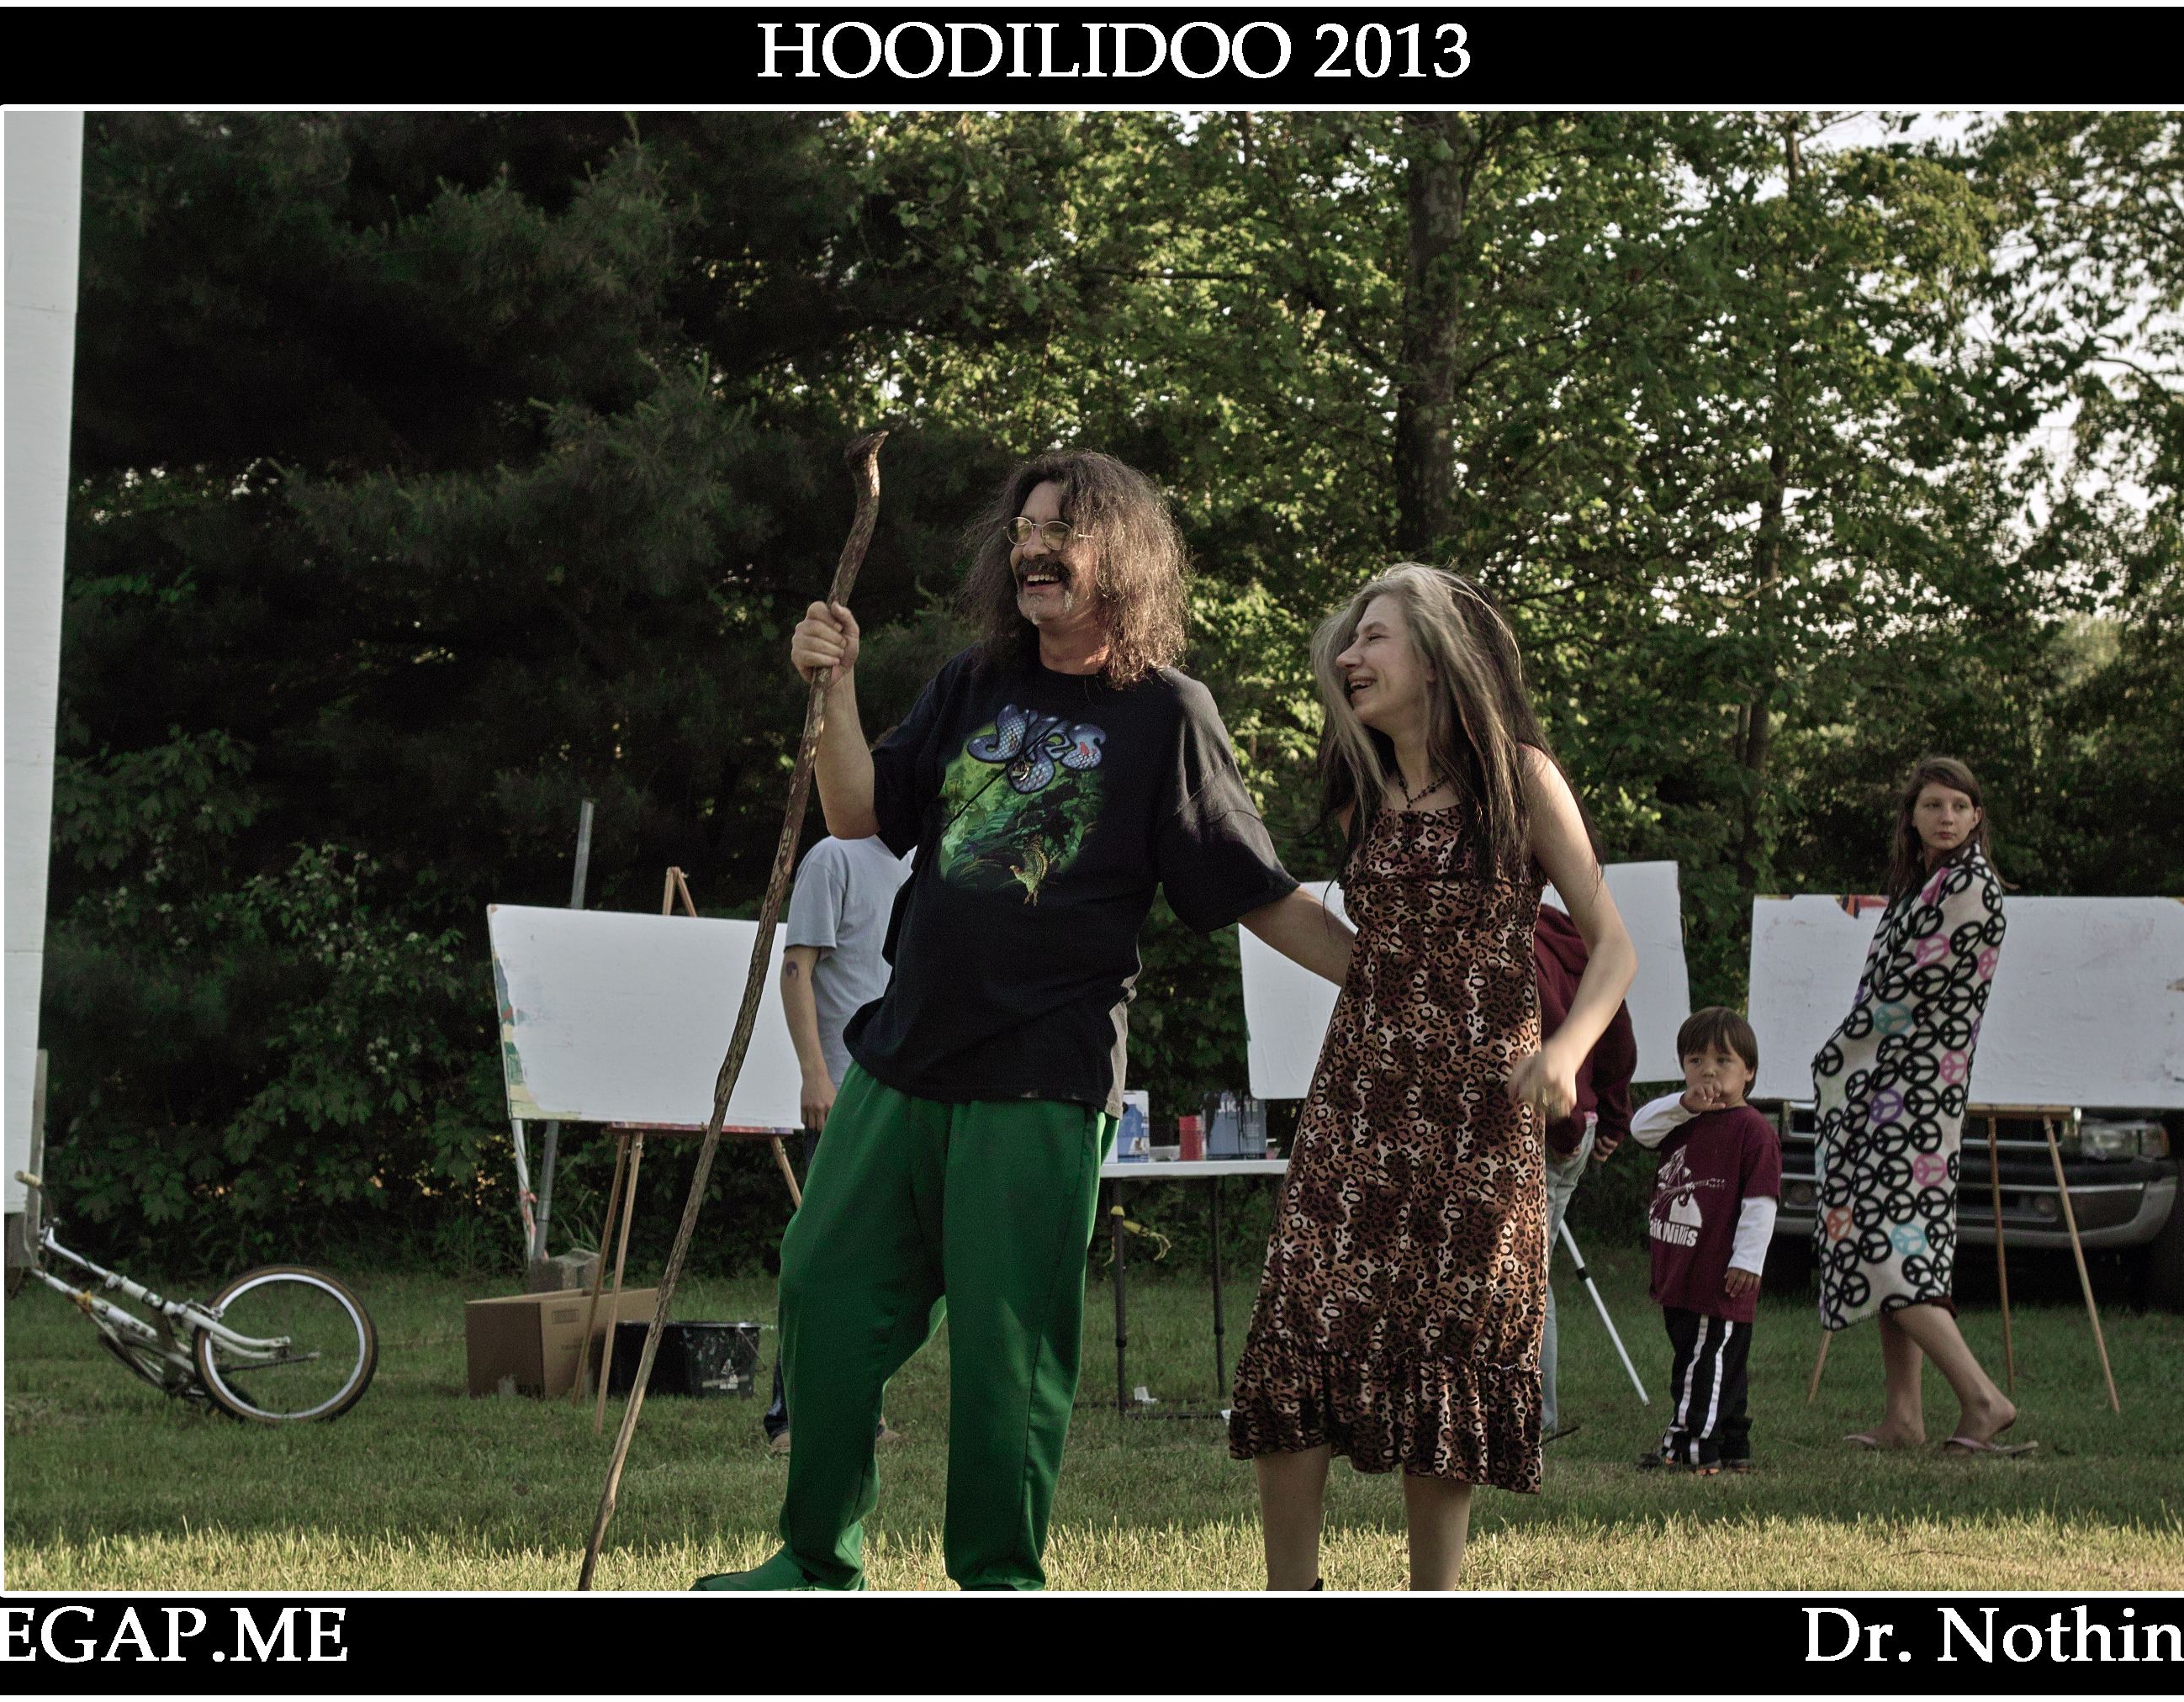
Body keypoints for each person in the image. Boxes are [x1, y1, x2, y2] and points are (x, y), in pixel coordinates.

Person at [699, 450, 1355, 1593]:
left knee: (1009, 1351)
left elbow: (1252, 889)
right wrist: (833, 687)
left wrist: (1397, 979)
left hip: (1042, 1078)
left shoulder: (1167, 715)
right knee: (820, 1279)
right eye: (1023, 530)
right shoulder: (974, 681)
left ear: (1122, 556)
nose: (1033, 549)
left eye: (1062, 530)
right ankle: (813, 1557)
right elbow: (856, 810)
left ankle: (998, 1576)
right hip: (903, 1057)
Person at [1227, 563, 1637, 1592]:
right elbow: (1362, 944)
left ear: (1439, 657)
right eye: (1348, 642)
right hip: (1359, 1098)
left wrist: (1565, 1052)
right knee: (1301, 1319)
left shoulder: (1519, 777)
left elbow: (1613, 946)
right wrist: (1386, 974)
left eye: (1373, 637)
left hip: (1478, 1114)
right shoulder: (1363, 790)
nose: (1349, 658)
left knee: (1447, 1347)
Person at [1814, 756, 2028, 1456]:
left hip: (1915, 1097)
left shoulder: (1968, 886)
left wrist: (1837, 1053)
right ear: (1912, 816)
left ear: (1976, 817)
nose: (1946, 817)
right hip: (1896, 1091)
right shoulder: (1923, 886)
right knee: (1897, 1245)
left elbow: (1905, 990)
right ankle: (1905, 1418)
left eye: (1959, 806)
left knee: (1888, 1247)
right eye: (1933, 805)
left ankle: (1984, 1400)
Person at [761, 824, 913, 1454]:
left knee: (884, 1265)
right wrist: (814, 1074)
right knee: (822, 1257)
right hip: (842, 1093)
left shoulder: (924, 862)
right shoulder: (834, 857)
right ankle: (789, 1419)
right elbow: (796, 969)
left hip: (902, 1091)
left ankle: (863, 1414)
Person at [1626, 1008, 1780, 1473]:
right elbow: (1640, 1129)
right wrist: (1684, 1104)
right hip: (1680, 1267)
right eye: (1696, 1061)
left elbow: (1761, 1202)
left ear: (1749, 1071)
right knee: (1714, 1363)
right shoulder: (1682, 1118)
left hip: (1720, 1274)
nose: (1708, 1071)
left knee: (1703, 1365)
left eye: (1723, 1061)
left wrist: (1748, 1261)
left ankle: (1690, 1447)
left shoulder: (1754, 1130)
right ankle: (1733, 1445)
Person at [1532, 899, 1637, 1440]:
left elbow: (1548, 1036)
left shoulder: (1517, 942)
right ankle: (1531, 1414)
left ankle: (1536, 1416)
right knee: (1530, 1272)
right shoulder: (1581, 937)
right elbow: (1617, 1032)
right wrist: (1613, 1115)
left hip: (1547, 1125)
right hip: (1578, 1122)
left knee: (1523, 1277)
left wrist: (1571, 1122)